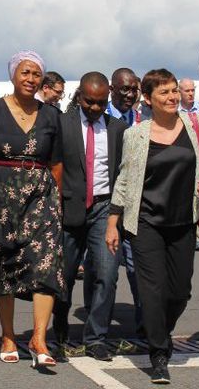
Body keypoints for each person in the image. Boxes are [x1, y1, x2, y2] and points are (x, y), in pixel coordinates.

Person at [106, 68, 199, 384]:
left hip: (183, 221)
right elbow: (124, 179)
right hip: (145, 222)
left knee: (180, 291)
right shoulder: (136, 134)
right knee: (152, 291)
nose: (171, 97)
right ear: (148, 99)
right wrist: (113, 221)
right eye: (164, 93)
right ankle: (158, 353)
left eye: (174, 91)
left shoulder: (196, 126)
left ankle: (161, 332)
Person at [0, 51, 65, 368]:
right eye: (25, 72)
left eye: (36, 74)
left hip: (41, 197)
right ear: (13, 75)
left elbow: (57, 164)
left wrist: (56, 201)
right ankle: (8, 336)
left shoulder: (51, 116)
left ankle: (39, 338)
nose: (31, 79)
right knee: (3, 264)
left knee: (47, 265)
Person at [52, 72, 127, 361]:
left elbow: (122, 173)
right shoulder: (62, 124)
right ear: (79, 97)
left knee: (106, 275)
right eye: (89, 102)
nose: (95, 108)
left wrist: (117, 215)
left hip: (104, 211)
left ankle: (96, 338)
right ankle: (59, 333)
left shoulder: (117, 129)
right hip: (68, 210)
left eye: (101, 103)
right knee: (64, 277)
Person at [106, 67, 143, 337]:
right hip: (105, 203)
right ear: (112, 89)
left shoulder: (144, 118)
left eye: (134, 89)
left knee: (138, 268)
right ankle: (100, 327)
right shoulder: (100, 117)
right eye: (124, 89)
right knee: (105, 270)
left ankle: (145, 323)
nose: (130, 95)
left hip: (137, 204)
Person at [179, 78, 199, 251]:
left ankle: (197, 235)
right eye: (187, 91)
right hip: (182, 160)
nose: (191, 94)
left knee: (198, 198)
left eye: (193, 90)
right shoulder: (174, 110)